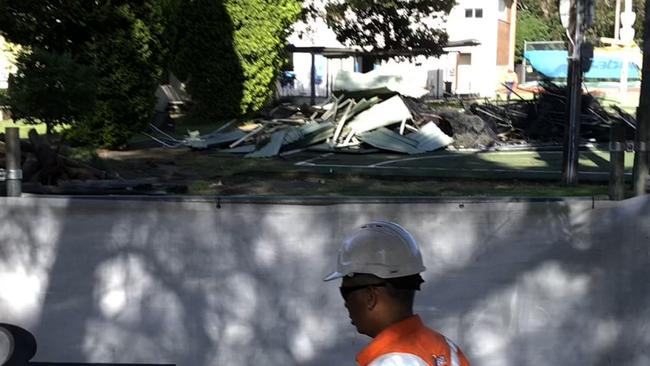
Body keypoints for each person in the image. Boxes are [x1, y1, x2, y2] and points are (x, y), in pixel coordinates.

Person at [324, 221, 470, 366]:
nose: (345, 303)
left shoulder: (390, 361)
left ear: (370, 296)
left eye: (345, 292)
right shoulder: (445, 348)